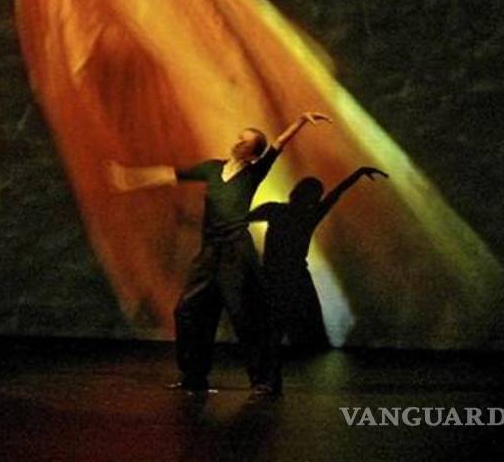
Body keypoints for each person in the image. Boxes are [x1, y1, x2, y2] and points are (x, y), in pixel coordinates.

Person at [109, 112, 330, 397]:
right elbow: (171, 174)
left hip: (236, 254)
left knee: (245, 316)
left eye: (245, 143)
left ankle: (265, 381)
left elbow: (278, 144)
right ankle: (194, 376)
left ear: (253, 154)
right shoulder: (213, 169)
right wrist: (130, 178)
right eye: (239, 139)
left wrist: (300, 121)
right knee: (188, 311)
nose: (238, 144)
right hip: (209, 252)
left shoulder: (252, 174)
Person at [246, 166, 388, 354]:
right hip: (290, 274)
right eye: (315, 194)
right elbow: (337, 193)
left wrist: (359, 172)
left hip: (281, 273)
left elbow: (241, 220)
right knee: (296, 320)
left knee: (282, 320)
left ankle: (273, 355)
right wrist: (359, 172)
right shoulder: (302, 213)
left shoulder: (277, 210)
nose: (317, 198)